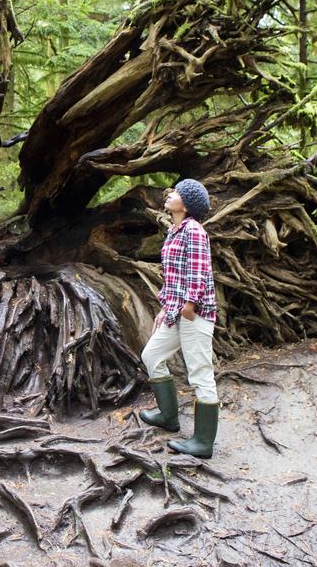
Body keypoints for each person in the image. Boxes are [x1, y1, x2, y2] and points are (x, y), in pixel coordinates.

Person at [138, 178, 219, 459]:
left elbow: (199, 271)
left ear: (185, 204)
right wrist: (166, 307)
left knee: (199, 373)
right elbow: (173, 277)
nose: (169, 194)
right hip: (177, 310)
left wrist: (189, 305)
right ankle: (168, 417)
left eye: (175, 192)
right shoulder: (175, 231)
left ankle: (203, 442)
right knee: (152, 356)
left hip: (194, 313)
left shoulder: (194, 231)